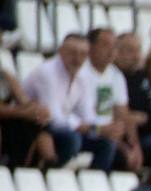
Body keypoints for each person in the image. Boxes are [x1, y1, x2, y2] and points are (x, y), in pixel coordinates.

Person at [21, 33, 117, 172]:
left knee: (107, 144)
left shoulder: (83, 75)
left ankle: (89, 182)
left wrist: (101, 129)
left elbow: (87, 114)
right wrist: (94, 128)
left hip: (62, 127)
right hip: (35, 127)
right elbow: (53, 118)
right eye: (73, 53)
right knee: (73, 140)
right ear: (61, 52)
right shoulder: (47, 73)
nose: (77, 59)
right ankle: (48, 173)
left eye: (83, 54)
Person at [81, 27, 142, 171]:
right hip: (86, 130)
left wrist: (134, 146)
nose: (111, 51)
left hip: (108, 133)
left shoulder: (116, 76)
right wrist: (106, 132)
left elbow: (123, 115)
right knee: (108, 146)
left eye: (114, 46)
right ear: (90, 47)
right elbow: (79, 118)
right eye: (105, 45)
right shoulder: (81, 73)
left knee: (128, 156)